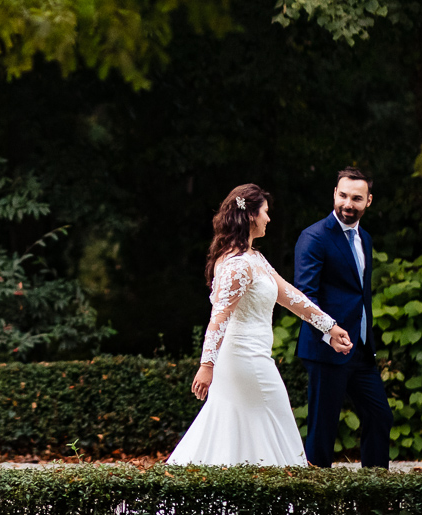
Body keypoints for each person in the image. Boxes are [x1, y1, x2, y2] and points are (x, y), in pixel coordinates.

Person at [167, 184, 353, 466]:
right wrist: (207, 365)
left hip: (253, 357)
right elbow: (219, 318)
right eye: (265, 212)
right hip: (245, 359)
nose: (269, 218)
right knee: (279, 424)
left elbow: (289, 296)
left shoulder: (254, 258)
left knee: (238, 429)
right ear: (251, 215)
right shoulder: (238, 264)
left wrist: (329, 326)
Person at [293, 168, 394, 469]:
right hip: (325, 349)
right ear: (334, 194)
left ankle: (374, 495)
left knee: (380, 417)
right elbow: (305, 296)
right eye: (343, 195)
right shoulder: (314, 237)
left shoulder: (366, 238)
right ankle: (316, 500)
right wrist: (329, 333)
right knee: (323, 431)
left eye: (357, 198)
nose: (349, 203)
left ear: (369, 201)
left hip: (361, 350)